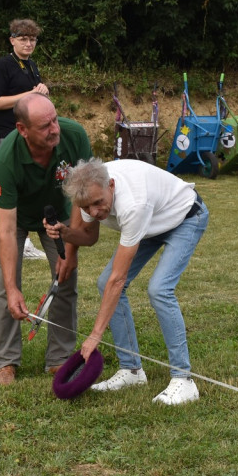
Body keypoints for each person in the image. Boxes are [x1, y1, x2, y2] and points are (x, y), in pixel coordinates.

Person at [46, 158, 209, 405]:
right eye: (86, 207)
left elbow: (118, 279)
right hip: (151, 224)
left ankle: (184, 380)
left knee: (159, 289)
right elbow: (89, 238)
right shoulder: (88, 193)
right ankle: (132, 370)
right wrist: (66, 232)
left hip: (185, 216)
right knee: (104, 283)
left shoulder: (133, 204)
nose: (94, 212)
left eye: (98, 204)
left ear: (111, 185)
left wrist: (95, 335)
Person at [0, 93, 91, 385]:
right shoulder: (7, 156)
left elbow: (82, 200)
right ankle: (6, 362)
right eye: (45, 126)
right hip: (15, 215)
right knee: (5, 284)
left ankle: (59, 359)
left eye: (55, 120)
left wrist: (69, 251)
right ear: (23, 130)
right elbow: (7, 230)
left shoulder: (74, 136)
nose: (55, 129)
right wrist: (12, 289)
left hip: (58, 212)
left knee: (65, 277)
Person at [0, 18, 49, 156]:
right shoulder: (2, 65)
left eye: (33, 40)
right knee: (7, 177)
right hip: (8, 135)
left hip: (31, 134)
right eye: (23, 39)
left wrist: (43, 92)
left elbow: (33, 95)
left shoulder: (32, 65)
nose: (28, 44)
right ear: (12, 40)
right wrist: (31, 94)